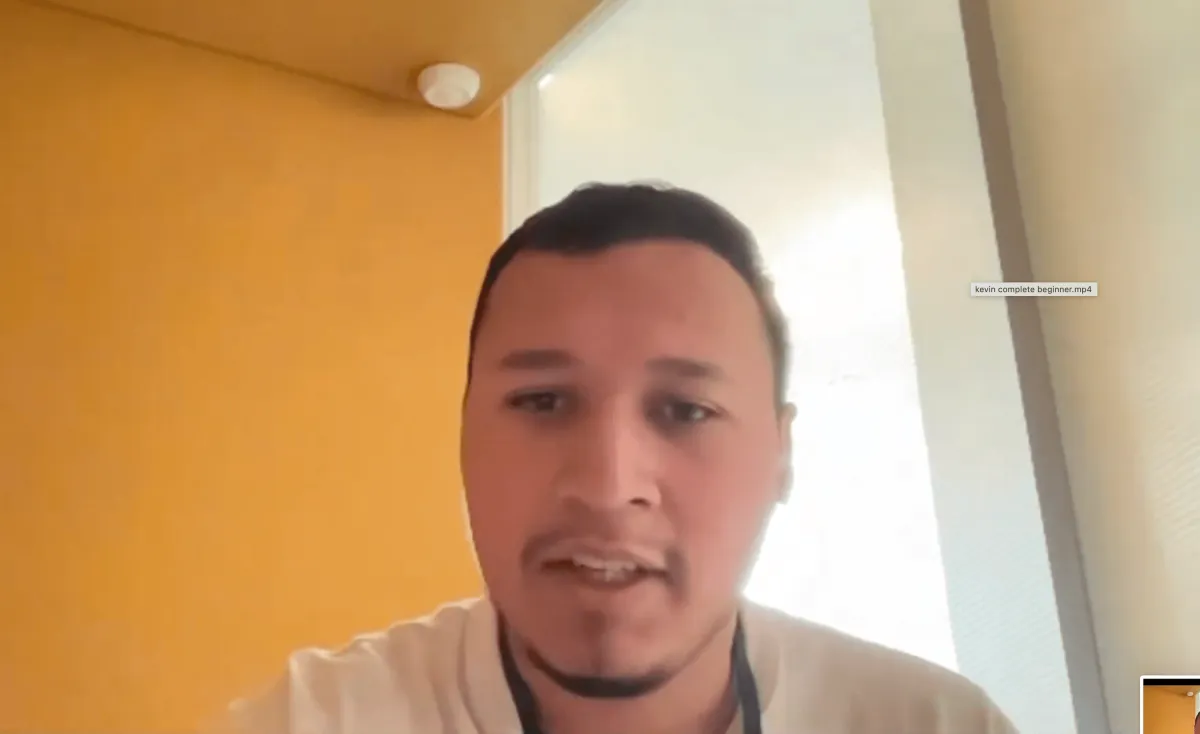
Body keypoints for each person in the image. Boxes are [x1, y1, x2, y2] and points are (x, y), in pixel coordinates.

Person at [215, 183, 1018, 734]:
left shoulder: (935, 724)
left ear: (782, 456)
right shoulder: (317, 720)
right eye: (541, 401)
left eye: (686, 410)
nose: (606, 486)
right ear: (462, 437)